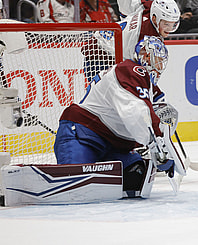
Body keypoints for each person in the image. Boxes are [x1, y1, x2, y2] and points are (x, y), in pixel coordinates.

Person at [54, 36, 185, 197]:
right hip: (84, 135)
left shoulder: (148, 85)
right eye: (157, 60)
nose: (159, 66)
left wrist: (164, 147)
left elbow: (160, 113)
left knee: (136, 179)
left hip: (115, 146)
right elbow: (136, 111)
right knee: (76, 188)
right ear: (145, 55)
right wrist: (155, 148)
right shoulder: (131, 70)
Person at [116, 0, 180, 60]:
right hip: (108, 53)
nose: (169, 28)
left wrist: (125, 18)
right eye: (166, 24)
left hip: (109, 34)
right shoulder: (147, 37)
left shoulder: (148, 8)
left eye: (173, 24)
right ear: (154, 19)